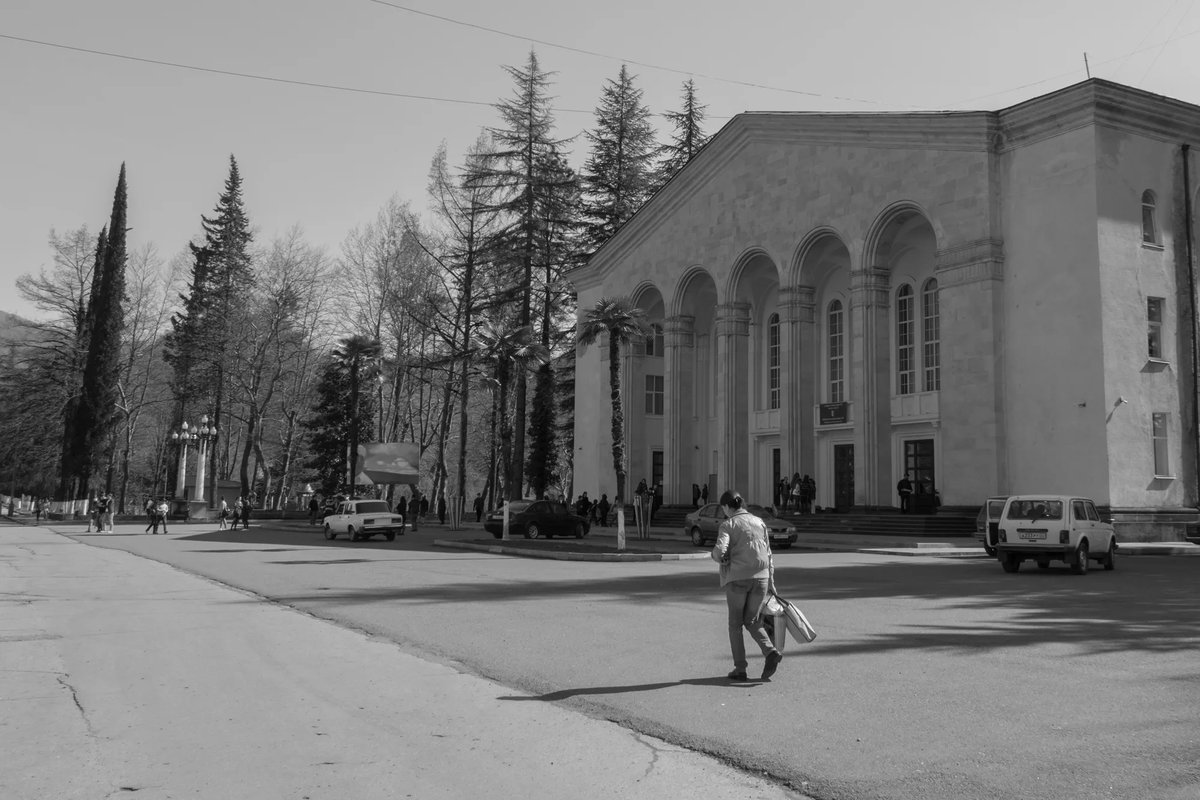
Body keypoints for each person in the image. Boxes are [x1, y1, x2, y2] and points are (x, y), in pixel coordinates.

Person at [710, 489, 782, 682]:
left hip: (737, 579)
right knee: (751, 620)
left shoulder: (728, 524)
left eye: (723, 508)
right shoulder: (760, 522)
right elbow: (768, 554)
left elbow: (720, 550)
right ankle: (770, 651)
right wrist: (771, 583)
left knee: (735, 624)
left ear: (726, 507)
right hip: (762, 579)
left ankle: (740, 669)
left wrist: (717, 557)